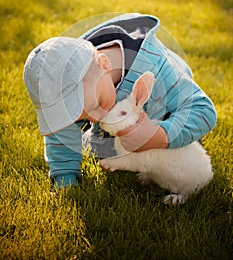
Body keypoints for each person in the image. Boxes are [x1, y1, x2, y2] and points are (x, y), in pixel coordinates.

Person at [23, 13, 217, 190]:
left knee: (178, 142)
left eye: (97, 104)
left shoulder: (157, 68)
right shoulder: (83, 77)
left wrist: (159, 135)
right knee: (104, 148)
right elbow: (61, 133)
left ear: (105, 64)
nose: (95, 117)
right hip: (122, 122)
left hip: (166, 110)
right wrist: (65, 179)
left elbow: (204, 111)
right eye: (82, 115)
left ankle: (174, 137)